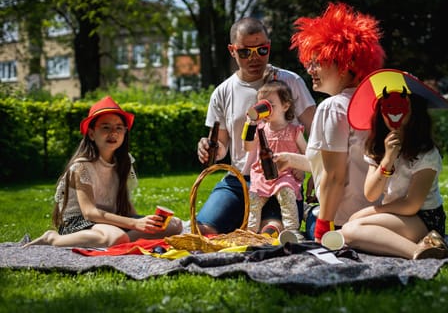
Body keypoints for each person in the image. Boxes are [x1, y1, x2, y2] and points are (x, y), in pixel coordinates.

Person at [274, 2, 385, 242]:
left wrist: (323, 227)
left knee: (304, 220)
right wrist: (292, 160)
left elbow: (334, 176)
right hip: (376, 216)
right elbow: (349, 161)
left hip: (342, 219)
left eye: (317, 61)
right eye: (309, 62)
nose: (310, 69)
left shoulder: (332, 107)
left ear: (345, 65)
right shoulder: (373, 101)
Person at [196, 17, 316, 235]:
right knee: (202, 231)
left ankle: (283, 217)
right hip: (239, 181)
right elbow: (221, 146)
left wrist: (315, 170)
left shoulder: (291, 82)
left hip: (283, 178)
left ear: (269, 47)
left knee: (271, 233)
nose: (254, 58)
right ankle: (242, 221)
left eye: (262, 50)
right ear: (232, 50)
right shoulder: (223, 92)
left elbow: (317, 133)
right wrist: (208, 146)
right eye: (245, 52)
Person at [25, 96, 183, 248]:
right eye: (106, 127)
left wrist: (144, 222)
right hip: (80, 223)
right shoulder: (81, 166)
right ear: (92, 134)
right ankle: (52, 239)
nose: (113, 132)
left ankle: (124, 240)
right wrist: (135, 224)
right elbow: (90, 213)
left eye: (119, 128)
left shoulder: (124, 161)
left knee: (174, 225)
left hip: (110, 221)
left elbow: (126, 204)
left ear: (124, 133)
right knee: (117, 237)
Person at [340, 69, 448, 259]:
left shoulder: (426, 153)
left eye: (401, 105)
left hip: (424, 217)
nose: (393, 112)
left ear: (414, 110)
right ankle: (424, 246)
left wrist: (369, 212)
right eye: (387, 106)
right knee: (350, 226)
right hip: (397, 213)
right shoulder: (377, 147)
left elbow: (412, 204)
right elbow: (371, 193)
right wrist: (388, 159)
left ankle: (418, 252)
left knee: (351, 228)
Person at [243, 80, 307, 238]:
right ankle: (251, 232)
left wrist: (300, 168)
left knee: (286, 193)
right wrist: (249, 125)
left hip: (285, 174)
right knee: (254, 201)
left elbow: (307, 155)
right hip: (262, 174)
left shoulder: (294, 131)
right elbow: (248, 147)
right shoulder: (260, 129)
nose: (266, 110)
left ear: (285, 106)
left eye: (270, 105)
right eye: (262, 105)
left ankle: (292, 229)